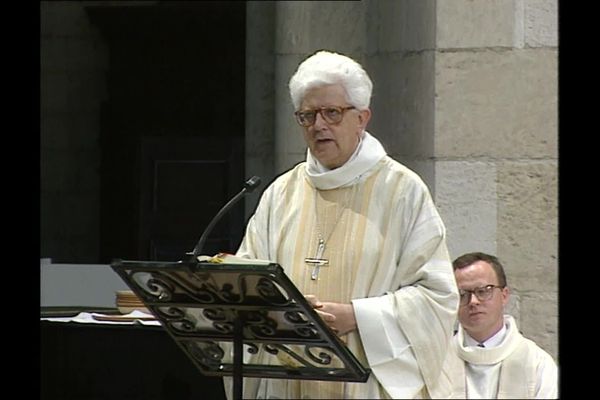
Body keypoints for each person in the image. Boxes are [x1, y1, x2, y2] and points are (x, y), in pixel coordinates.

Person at [225, 50, 459, 399]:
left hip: (365, 384)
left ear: (362, 117)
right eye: (307, 116)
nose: (319, 125)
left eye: (332, 113)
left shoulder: (401, 191)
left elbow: (437, 296)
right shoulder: (281, 194)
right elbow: (249, 280)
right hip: (289, 380)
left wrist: (359, 317)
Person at [431, 252, 558, 398]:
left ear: (504, 295)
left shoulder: (537, 364)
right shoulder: (437, 363)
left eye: (483, 291)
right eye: (462, 294)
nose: (473, 301)